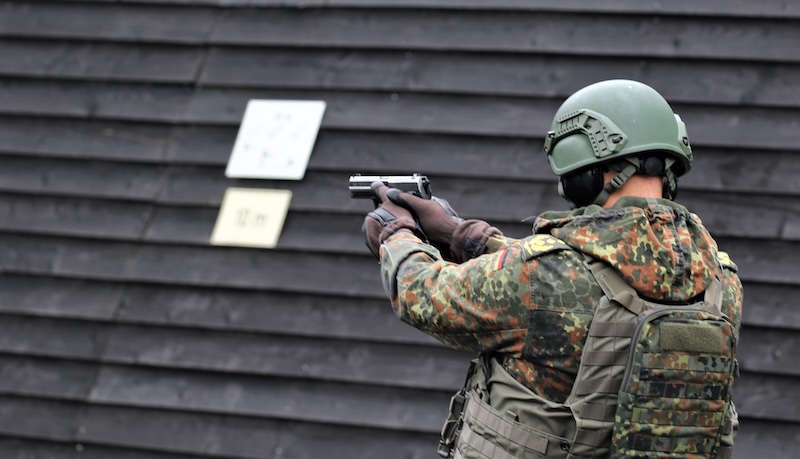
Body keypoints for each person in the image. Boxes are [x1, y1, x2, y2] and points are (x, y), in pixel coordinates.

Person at [362, 80, 742, 458]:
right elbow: (587, 276)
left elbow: (422, 295)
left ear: (593, 172)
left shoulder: (542, 276)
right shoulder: (721, 281)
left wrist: (397, 234)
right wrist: (467, 236)